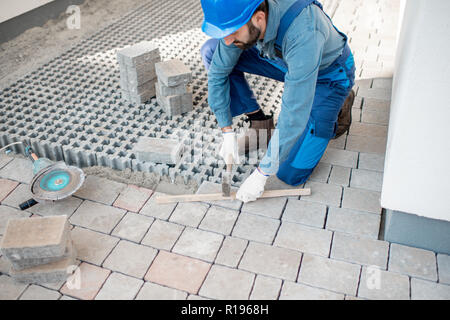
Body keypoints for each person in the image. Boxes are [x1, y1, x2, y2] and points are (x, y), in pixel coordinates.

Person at [200, 0, 355, 203]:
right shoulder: (244, 19)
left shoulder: (304, 31)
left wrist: (262, 173)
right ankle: (259, 123)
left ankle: (338, 103)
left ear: (259, 18)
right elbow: (219, 72)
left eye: (233, 32)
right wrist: (226, 129)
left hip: (328, 77)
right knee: (212, 51)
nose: (227, 40)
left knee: (290, 174)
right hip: (286, 60)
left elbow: (293, 114)